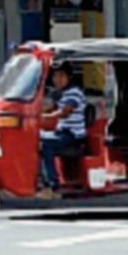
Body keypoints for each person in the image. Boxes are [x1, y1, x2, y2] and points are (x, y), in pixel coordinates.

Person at [38, 62, 87, 199]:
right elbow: (50, 108)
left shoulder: (74, 93)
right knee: (34, 138)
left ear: (69, 77)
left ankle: (53, 185)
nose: (57, 79)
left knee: (46, 146)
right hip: (61, 133)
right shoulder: (60, 93)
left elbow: (64, 112)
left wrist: (43, 118)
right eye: (55, 76)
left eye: (61, 76)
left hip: (72, 136)